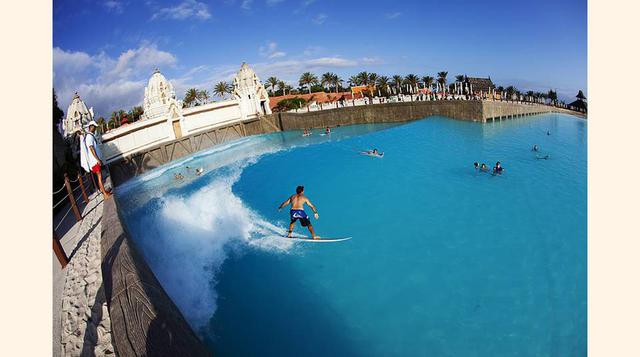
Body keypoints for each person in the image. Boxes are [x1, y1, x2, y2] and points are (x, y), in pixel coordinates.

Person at [82, 121, 112, 199]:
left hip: (95, 161)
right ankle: (105, 194)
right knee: (99, 177)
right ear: (90, 127)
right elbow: (91, 148)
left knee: (100, 177)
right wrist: (98, 159)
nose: (95, 129)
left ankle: (104, 192)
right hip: (94, 161)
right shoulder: (89, 137)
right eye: (94, 127)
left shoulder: (91, 136)